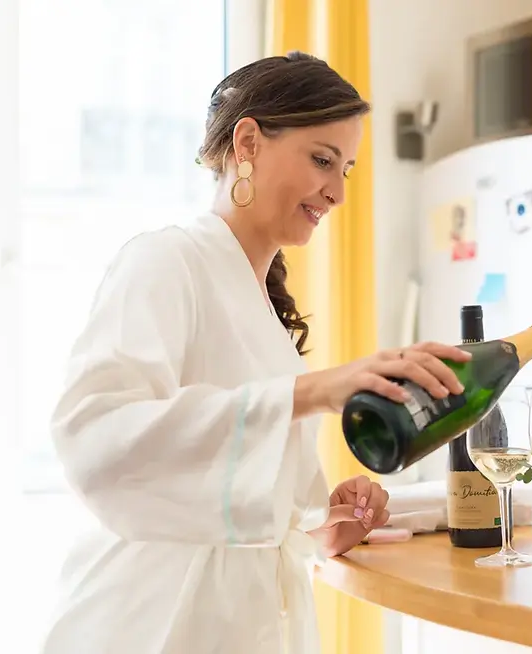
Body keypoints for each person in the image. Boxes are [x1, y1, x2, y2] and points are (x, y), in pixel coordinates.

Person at [37, 52, 471, 654]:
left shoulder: (264, 310)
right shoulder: (166, 260)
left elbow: (258, 506)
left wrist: (331, 517)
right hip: (153, 620)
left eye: (346, 169)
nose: (337, 193)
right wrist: (316, 390)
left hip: (248, 623)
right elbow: (94, 435)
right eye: (323, 160)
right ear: (248, 142)